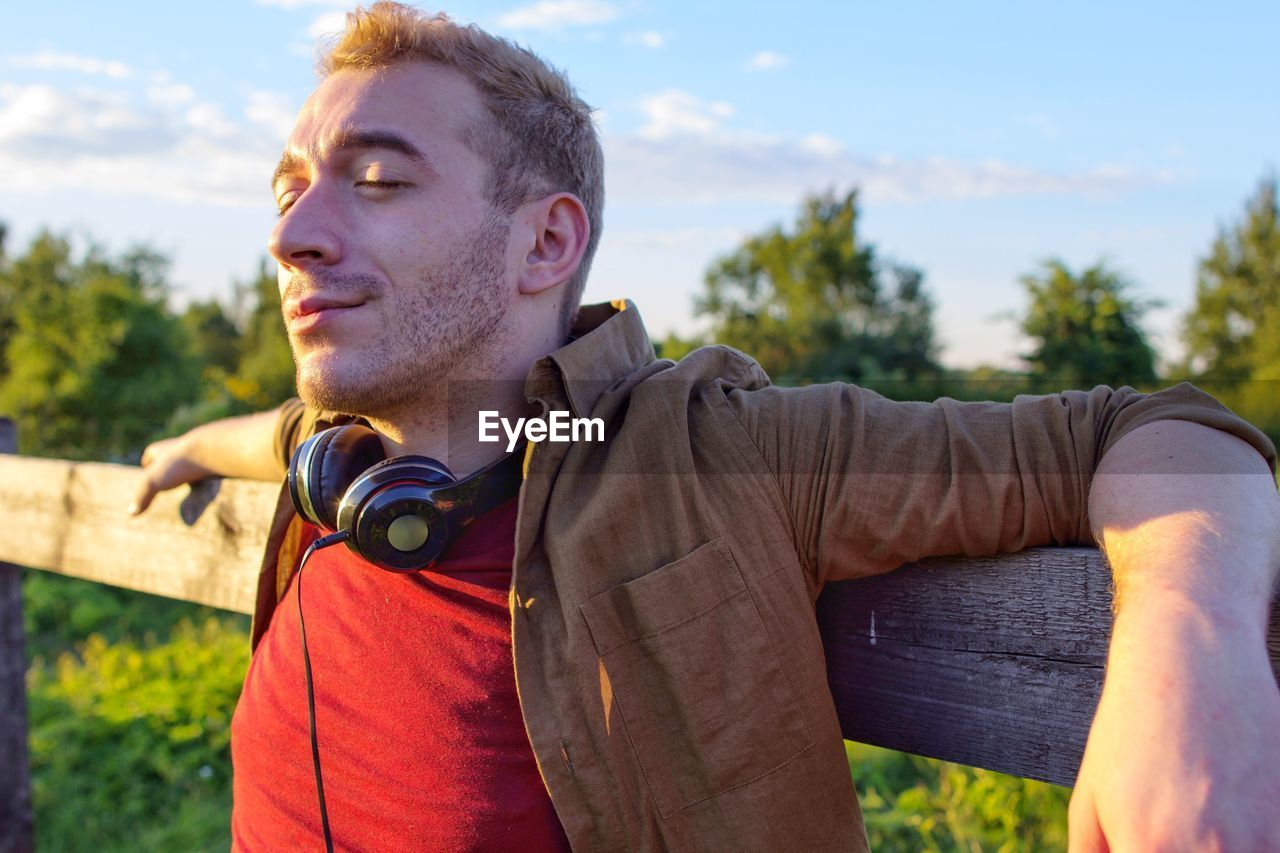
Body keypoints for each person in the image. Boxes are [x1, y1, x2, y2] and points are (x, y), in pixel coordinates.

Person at [132, 3, 1280, 850]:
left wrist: (1190, 646)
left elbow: (1152, 427)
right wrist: (181, 448)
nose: (293, 237)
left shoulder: (707, 455)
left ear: (543, 244)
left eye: (375, 179)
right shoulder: (334, 455)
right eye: (288, 190)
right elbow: (269, 432)